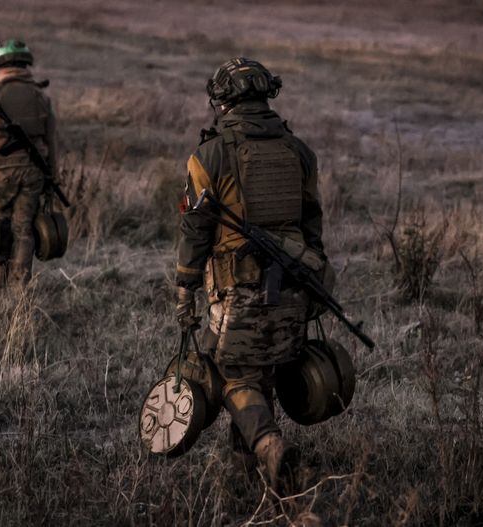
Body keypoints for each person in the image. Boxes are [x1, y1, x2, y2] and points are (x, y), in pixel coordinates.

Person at [174, 58, 327, 493]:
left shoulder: (209, 155)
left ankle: (270, 447)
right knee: (262, 372)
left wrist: (184, 289)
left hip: (238, 289)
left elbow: (195, 230)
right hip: (295, 284)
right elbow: (313, 225)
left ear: (222, 101)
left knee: (232, 375)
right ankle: (245, 477)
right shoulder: (299, 151)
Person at [0, 39, 57, 285]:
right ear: (25, 63)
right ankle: (20, 288)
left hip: (1, 172)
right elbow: (51, 141)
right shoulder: (42, 97)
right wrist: (53, 177)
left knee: (0, 225)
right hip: (34, 171)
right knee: (24, 227)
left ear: (0, 63)